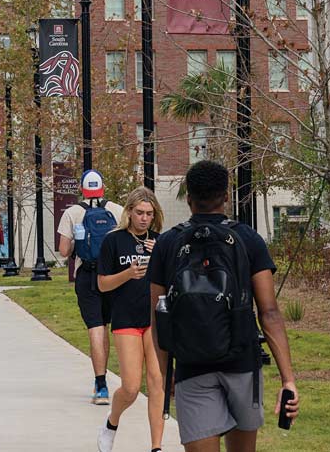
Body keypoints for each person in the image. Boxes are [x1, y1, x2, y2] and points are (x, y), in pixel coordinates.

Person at [149, 160, 299, 452]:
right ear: (226, 196)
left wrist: (164, 376)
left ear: (188, 197)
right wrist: (288, 379)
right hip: (243, 364)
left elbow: (159, 316)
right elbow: (269, 312)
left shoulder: (167, 244)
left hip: (192, 367)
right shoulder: (249, 240)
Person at [95, 187, 165, 452]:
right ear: (129, 212)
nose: (144, 218)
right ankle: (112, 423)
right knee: (132, 387)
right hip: (126, 319)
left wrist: (159, 253)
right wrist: (128, 274)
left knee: (157, 381)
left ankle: (156, 446)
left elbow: (172, 277)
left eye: (149, 213)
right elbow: (102, 284)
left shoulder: (160, 242)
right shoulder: (114, 241)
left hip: (155, 319)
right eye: (139, 213)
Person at [56, 171, 126, 404]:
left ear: (82, 189)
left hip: (87, 275)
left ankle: (101, 385)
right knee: (113, 327)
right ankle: (125, 380)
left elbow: (64, 251)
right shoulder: (117, 210)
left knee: (96, 328)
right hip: (113, 275)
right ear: (102, 188)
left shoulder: (73, 212)